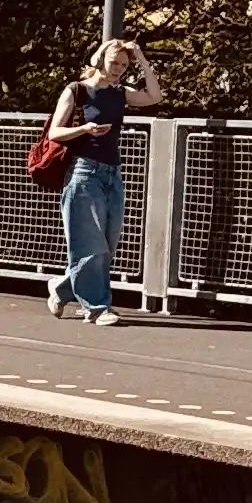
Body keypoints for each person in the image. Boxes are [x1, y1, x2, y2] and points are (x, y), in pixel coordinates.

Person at [43, 35, 163, 324]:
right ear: (99, 59)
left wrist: (142, 59)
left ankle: (62, 288)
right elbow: (54, 133)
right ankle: (97, 307)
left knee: (106, 244)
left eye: (124, 64)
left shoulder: (120, 93)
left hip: (112, 172)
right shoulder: (77, 90)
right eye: (114, 62)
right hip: (84, 172)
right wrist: (85, 129)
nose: (119, 68)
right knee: (89, 243)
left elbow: (155, 97)